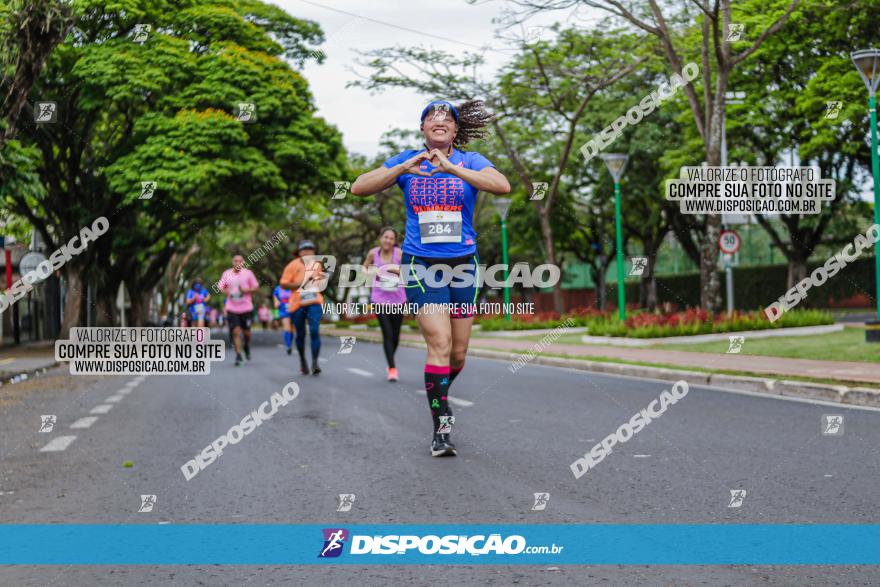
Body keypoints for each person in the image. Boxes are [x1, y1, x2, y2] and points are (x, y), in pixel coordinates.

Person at [351, 99, 511, 457]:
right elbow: (359, 187)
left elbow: (501, 185)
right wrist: (406, 166)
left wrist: (452, 169)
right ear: (423, 129)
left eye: (446, 118)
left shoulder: (469, 161)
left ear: (455, 130)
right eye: (431, 118)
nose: (439, 121)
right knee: (438, 343)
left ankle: (438, 391)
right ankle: (441, 426)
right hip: (422, 264)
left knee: (457, 355)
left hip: (463, 265)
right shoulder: (408, 160)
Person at [362, 226, 407, 382]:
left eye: (391, 238)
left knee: (395, 336)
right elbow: (364, 268)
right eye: (385, 237)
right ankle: (392, 368)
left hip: (398, 299)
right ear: (380, 238)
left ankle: (390, 361)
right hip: (379, 298)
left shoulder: (399, 254)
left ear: (395, 241)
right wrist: (370, 273)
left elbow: (408, 272)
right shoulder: (373, 253)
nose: (388, 240)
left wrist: (393, 270)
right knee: (387, 334)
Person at [280, 240, 327, 375]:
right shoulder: (291, 266)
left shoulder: (317, 264)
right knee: (300, 334)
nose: (307, 252)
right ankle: (302, 361)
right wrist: (300, 284)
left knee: (314, 331)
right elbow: (283, 284)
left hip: (314, 302)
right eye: (304, 250)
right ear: (299, 252)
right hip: (297, 304)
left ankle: (315, 363)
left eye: (310, 249)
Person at [218, 254, 260, 366]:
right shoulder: (227, 274)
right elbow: (220, 287)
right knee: (236, 331)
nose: (238, 263)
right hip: (232, 308)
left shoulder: (248, 273)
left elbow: (256, 287)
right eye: (235, 261)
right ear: (232, 262)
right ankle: (238, 355)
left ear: (243, 262)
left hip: (246, 308)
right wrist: (226, 291)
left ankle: (246, 346)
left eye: (240, 261)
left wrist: (247, 290)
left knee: (247, 333)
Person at [273, 283, 294, 354]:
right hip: (283, 311)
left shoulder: (294, 287)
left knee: (292, 329)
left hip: (294, 310)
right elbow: (275, 303)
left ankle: (289, 342)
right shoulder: (277, 289)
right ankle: (289, 346)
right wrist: (275, 317)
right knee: (287, 328)